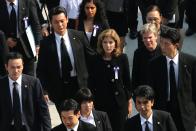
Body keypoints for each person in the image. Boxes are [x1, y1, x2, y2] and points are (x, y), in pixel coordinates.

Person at [37, 6, 95, 113]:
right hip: (59, 89)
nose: (60, 25)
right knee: (67, 121)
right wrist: (44, 91)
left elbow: (92, 58)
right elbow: (41, 69)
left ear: (67, 20)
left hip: (80, 86)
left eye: (62, 21)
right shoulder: (46, 43)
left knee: (83, 117)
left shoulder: (79, 36)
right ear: (51, 23)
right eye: (56, 22)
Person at [148, 27, 196, 131]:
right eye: (161, 42)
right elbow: (152, 90)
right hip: (164, 111)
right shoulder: (154, 64)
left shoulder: (191, 62)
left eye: (166, 44)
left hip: (185, 113)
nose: (162, 47)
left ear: (176, 45)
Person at [90, 29, 132, 131]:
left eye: (111, 42)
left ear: (115, 43)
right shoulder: (95, 59)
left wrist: (129, 102)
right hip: (101, 104)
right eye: (105, 42)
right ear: (101, 43)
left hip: (119, 104)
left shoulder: (122, 58)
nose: (108, 45)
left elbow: (127, 82)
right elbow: (91, 82)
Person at [0, 52, 51, 131]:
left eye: (18, 67)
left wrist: (47, 129)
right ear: (6, 67)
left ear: (23, 66)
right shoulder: (1, 84)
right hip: (7, 127)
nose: (16, 70)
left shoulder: (34, 83)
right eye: (12, 67)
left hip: (30, 127)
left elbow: (43, 110)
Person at [0, 0, 42, 76]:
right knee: (8, 78)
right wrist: (5, 39)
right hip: (5, 49)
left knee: (29, 79)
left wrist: (37, 44)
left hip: (26, 48)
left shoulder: (28, 2)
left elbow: (35, 24)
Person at [132, 23, 162, 91]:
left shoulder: (163, 52)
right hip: (144, 91)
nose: (147, 40)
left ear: (156, 36)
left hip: (160, 90)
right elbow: (135, 74)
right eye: (145, 38)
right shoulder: (138, 53)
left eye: (150, 37)